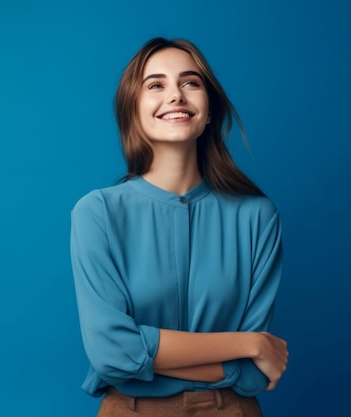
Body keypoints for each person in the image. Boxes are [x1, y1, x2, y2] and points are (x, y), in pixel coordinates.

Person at [70, 37, 288, 417]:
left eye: (191, 82)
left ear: (208, 111)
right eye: (155, 85)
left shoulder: (257, 216)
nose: (176, 95)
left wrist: (144, 353)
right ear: (133, 111)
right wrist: (249, 343)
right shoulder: (97, 213)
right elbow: (111, 355)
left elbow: (254, 376)